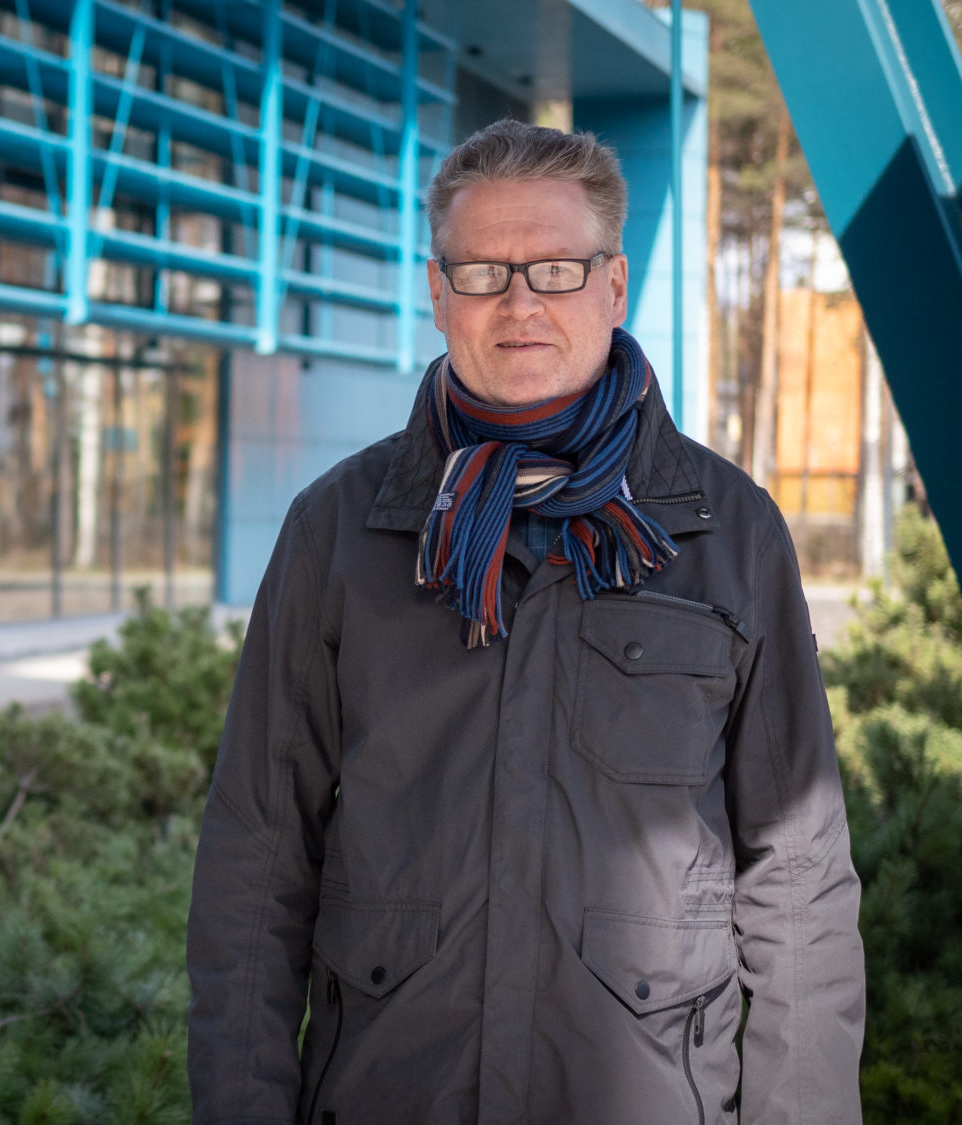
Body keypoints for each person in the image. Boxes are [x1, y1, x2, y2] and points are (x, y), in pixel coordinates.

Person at [185, 118, 865, 1125]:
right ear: (437, 293)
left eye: (554, 269)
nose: (518, 305)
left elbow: (796, 878)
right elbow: (257, 855)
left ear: (613, 286)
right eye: (481, 273)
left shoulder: (726, 532)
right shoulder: (339, 529)